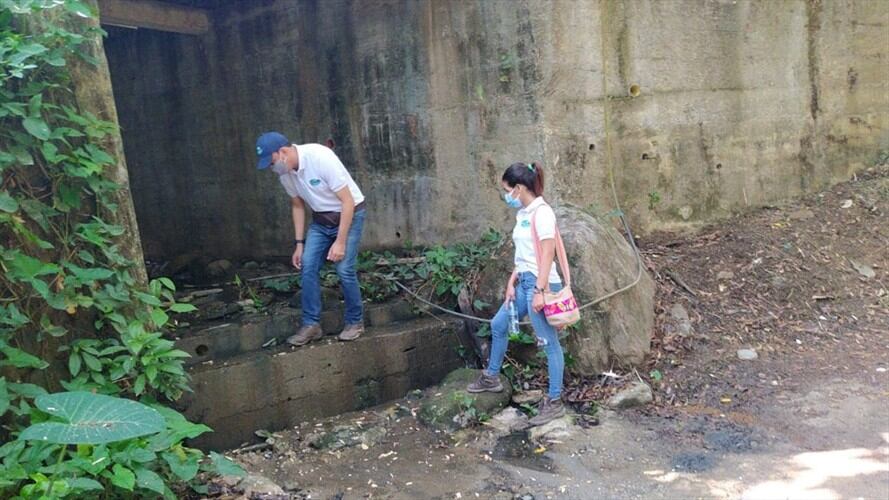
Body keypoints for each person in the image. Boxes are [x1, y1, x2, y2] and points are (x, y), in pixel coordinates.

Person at [467, 162, 567, 426]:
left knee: (548, 342)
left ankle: (555, 401)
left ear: (519, 188)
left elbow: (547, 254)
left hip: (541, 284)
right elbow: (525, 254)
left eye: (507, 190)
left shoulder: (543, 213)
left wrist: (540, 291)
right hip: (524, 281)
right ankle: (491, 377)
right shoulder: (523, 213)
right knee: (499, 324)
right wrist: (513, 280)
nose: (506, 196)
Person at [255, 131, 366, 345]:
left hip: (349, 214)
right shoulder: (285, 172)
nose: (272, 168)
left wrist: (340, 241)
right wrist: (299, 244)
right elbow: (297, 205)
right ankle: (311, 325)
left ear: (284, 152)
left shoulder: (320, 157)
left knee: (344, 269)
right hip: (321, 220)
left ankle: (355, 322)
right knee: (307, 265)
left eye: (272, 162)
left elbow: (348, 202)